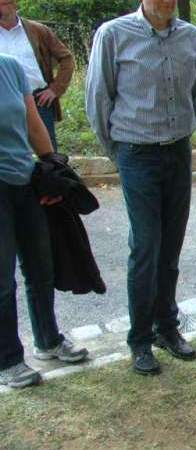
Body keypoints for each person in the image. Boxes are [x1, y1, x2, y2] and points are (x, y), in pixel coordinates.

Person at [86, 0, 196, 376]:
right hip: (137, 154)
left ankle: (167, 329)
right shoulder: (113, 34)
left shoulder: (191, 36)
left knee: (170, 246)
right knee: (146, 248)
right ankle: (139, 340)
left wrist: (183, 133)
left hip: (178, 152)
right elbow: (98, 99)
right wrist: (119, 152)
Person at [0, 54, 88, 389]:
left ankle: (48, 340)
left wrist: (52, 166)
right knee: (2, 280)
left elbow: (33, 121)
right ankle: (7, 359)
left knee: (41, 267)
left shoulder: (9, 66)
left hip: (24, 179)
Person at [0, 0, 74, 153]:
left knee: (49, 154)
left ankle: (52, 176)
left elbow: (66, 58)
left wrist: (55, 89)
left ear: (14, 4)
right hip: (3, 102)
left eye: (3, 4)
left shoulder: (37, 30)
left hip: (38, 100)